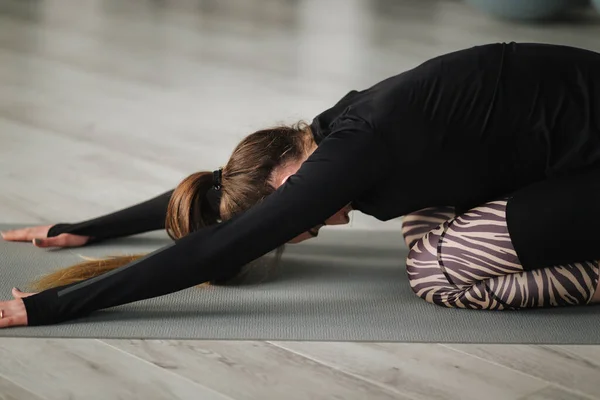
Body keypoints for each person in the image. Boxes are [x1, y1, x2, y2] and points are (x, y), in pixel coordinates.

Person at [2, 41, 600, 328]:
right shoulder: (330, 130)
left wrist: (49, 305)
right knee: (428, 229)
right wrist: (89, 229)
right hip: (562, 159)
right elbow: (219, 188)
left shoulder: (359, 145)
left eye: (304, 219)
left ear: (287, 176)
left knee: (435, 274)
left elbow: (222, 245)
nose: (322, 226)